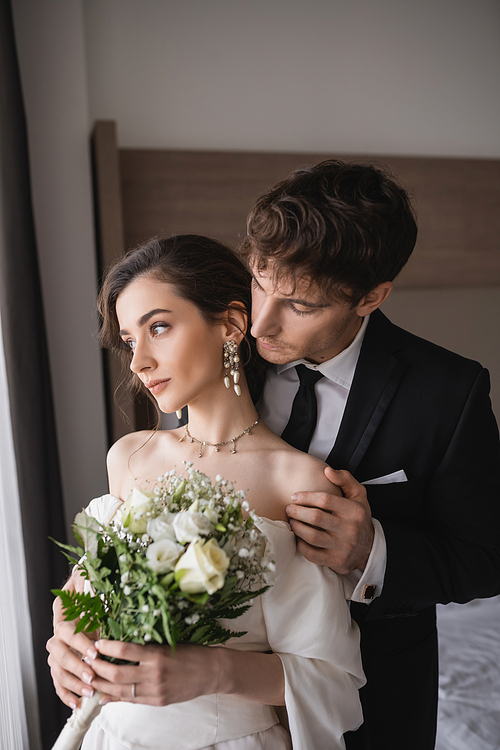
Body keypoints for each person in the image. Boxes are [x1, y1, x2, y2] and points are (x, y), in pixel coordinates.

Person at [47, 234, 365, 750]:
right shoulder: (128, 457)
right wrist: (65, 638)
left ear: (231, 325)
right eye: (131, 340)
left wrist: (214, 671)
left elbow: (330, 681)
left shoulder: (298, 482)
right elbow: (90, 591)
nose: (138, 362)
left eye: (159, 327)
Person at [238, 159, 500, 749]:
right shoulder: (218, 343)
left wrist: (372, 552)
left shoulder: (448, 393)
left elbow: (486, 557)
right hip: (222, 692)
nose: (260, 325)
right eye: (258, 281)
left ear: (371, 297)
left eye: (301, 306)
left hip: (373, 699)